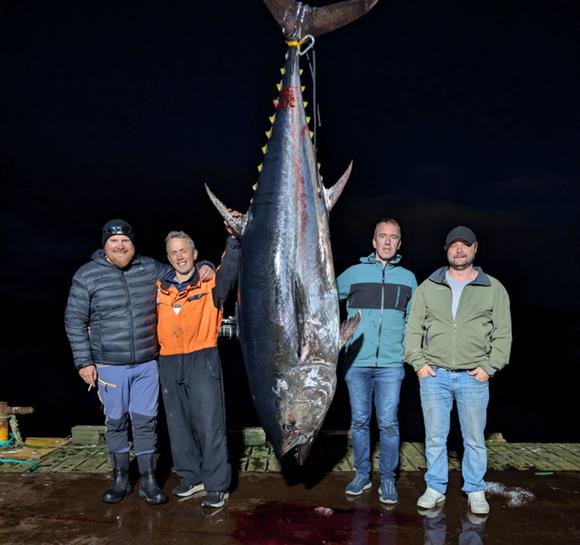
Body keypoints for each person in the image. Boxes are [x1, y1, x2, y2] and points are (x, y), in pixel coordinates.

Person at [64, 219, 214, 505]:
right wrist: (84, 362)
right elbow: (74, 319)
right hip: (109, 366)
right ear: (105, 245)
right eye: (114, 241)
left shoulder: (150, 269)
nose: (120, 246)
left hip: (147, 364)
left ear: (133, 245)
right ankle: (121, 479)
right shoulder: (87, 275)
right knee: (117, 422)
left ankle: (149, 481)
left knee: (146, 423)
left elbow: (182, 269)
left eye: (125, 241)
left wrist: (204, 262)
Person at [405, 226, 512, 515]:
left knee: (474, 438)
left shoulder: (494, 288)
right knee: (436, 437)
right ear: (446, 249)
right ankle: (435, 487)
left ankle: (475, 488)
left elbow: (503, 335)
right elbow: (413, 328)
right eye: (454, 245)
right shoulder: (429, 286)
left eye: (466, 245)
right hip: (434, 376)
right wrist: (420, 365)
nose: (460, 250)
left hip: (472, 377)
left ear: (475, 249)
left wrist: (489, 368)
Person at [156, 218, 240, 509]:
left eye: (184, 251)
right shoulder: (159, 287)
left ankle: (217, 485)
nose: (180, 256)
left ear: (194, 253)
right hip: (167, 360)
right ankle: (191, 478)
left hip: (201, 357)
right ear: (168, 258)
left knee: (209, 424)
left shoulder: (209, 282)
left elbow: (229, 270)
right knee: (177, 425)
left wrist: (232, 239)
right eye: (173, 252)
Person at [337, 217, 417, 504]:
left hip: (391, 365)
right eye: (382, 236)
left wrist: (407, 350)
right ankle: (361, 474)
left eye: (393, 237)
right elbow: (323, 297)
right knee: (359, 421)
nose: (387, 241)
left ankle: (387, 480)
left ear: (399, 243)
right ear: (373, 241)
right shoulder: (353, 273)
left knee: (388, 422)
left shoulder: (408, 279)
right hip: (356, 363)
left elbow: (412, 319)